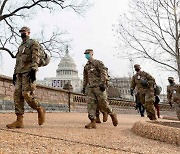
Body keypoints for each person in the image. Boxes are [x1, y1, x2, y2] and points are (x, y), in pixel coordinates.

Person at [6, 26, 46, 129]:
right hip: (20, 73)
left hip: (28, 72)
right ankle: (19, 120)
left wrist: (34, 70)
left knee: (26, 94)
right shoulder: (21, 46)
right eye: (21, 31)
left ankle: (39, 109)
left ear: (28, 32)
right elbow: (18, 60)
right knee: (17, 95)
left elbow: (35, 57)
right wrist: (15, 73)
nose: (22, 33)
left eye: (24, 31)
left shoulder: (33, 43)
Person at [82, 49, 118, 129]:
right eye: (85, 54)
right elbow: (85, 77)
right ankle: (93, 121)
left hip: (99, 86)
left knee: (103, 103)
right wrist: (84, 87)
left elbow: (103, 73)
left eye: (88, 53)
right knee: (90, 104)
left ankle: (112, 114)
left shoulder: (98, 63)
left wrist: (103, 83)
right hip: (90, 87)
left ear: (92, 54)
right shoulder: (86, 66)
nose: (86, 55)